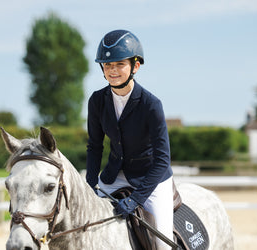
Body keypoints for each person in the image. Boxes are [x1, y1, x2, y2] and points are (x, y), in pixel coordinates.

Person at [86, 29, 174, 249]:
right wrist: (90, 185)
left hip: (151, 180)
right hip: (114, 176)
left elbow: (163, 160)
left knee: (163, 244)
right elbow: (95, 147)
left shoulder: (151, 104)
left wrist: (136, 199)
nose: (112, 71)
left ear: (135, 66)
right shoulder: (97, 101)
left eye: (119, 64)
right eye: (108, 66)